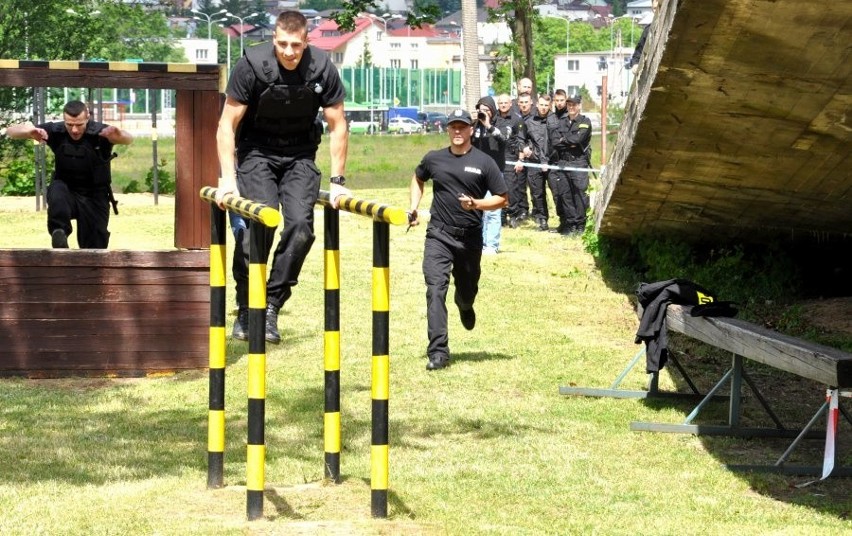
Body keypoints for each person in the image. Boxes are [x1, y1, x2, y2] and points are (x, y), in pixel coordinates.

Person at [216, 10, 350, 344]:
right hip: (256, 153)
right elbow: (226, 124)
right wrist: (227, 179)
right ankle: (248, 306)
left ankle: (272, 304)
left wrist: (337, 182)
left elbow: (338, 125)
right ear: (274, 39)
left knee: (301, 230)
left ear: (307, 41)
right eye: (282, 44)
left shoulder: (322, 68)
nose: (288, 52)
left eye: (295, 45)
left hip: (300, 154)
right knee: (261, 225)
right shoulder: (251, 65)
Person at [407, 109, 508, 370]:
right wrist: (414, 207)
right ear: (448, 130)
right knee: (435, 289)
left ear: (471, 130)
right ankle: (438, 352)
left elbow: (502, 197)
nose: (458, 132)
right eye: (453, 127)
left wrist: (477, 204)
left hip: (469, 239)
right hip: (438, 235)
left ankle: (465, 304)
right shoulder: (434, 159)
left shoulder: (485, 162)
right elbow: (418, 178)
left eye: (462, 127)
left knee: (466, 290)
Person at [5, 100, 133, 249]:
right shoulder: (56, 131)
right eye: (69, 124)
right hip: (67, 194)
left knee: (94, 249)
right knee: (57, 188)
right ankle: (59, 232)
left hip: (95, 196)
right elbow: (11, 131)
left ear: (87, 118)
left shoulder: (101, 132)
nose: (74, 130)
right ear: (64, 120)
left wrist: (119, 135)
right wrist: (29, 132)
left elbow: (128, 138)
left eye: (79, 125)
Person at [546, 92, 592, 236]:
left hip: (578, 162)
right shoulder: (561, 122)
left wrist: (564, 141)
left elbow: (578, 140)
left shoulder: (585, 121)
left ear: (579, 105)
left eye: (574, 104)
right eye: (569, 104)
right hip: (563, 162)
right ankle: (571, 224)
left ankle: (581, 224)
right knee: (565, 194)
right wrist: (567, 142)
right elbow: (554, 142)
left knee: (579, 194)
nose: (571, 107)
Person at [471, 96, 507, 255]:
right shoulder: (474, 125)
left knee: (492, 210)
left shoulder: (500, 124)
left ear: (492, 111)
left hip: (494, 173)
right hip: (475, 172)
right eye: (481, 110)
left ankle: (492, 245)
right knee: (477, 208)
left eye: (486, 110)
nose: (483, 113)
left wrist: (488, 125)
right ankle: (479, 243)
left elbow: (503, 138)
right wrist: (469, 131)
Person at [495, 93, 528, 228]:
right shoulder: (494, 119)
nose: (503, 105)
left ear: (510, 104)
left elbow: (521, 140)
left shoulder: (517, 119)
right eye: (501, 103)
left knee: (511, 188)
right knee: (497, 187)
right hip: (496, 158)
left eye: (505, 103)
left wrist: (520, 159)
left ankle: (513, 215)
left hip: (511, 157)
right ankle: (501, 216)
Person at [519, 93, 552, 231]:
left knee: (558, 192)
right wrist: (525, 148)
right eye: (541, 105)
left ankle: (566, 222)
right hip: (534, 161)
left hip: (551, 161)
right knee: (537, 193)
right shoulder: (528, 122)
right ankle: (541, 220)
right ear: (537, 105)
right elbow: (520, 139)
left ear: (550, 106)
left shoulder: (555, 120)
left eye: (546, 105)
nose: (543, 108)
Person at [628, 0, 661, 75]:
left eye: (660, 7)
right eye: (655, 9)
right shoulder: (648, 30)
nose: (657, 12)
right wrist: (635, 65)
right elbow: (638, 54)